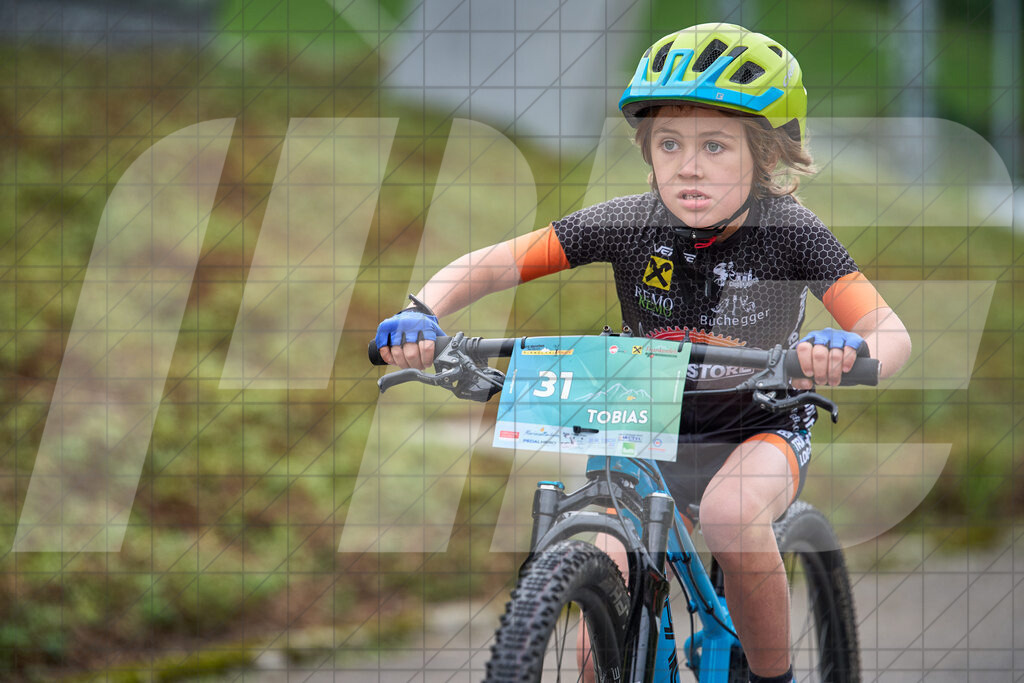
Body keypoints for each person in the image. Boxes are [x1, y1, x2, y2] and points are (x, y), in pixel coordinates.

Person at [374, 23, 911, 683]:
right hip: (643, 416)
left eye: (715, 145)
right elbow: (496, 263)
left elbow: (890, 331)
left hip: (759, 426)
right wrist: (419, 311)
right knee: (602, 574)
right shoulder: (630, 222)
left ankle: (772, 676)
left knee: (730, 515)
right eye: (669, 143)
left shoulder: (790, 231)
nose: (689, 166)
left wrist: (846, 347)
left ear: (768, 156)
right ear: (647, 151)